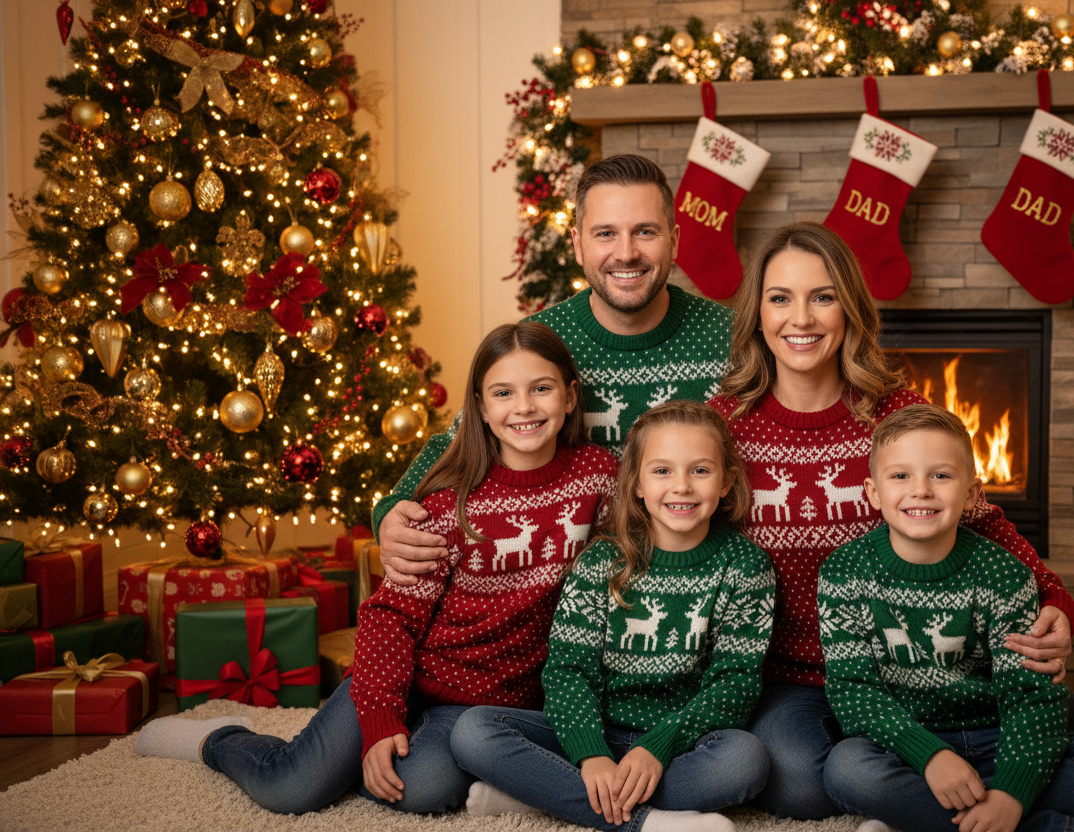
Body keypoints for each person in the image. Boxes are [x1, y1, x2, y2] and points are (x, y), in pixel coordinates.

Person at [706, 222, 1074, 820]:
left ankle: (967, 793)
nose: (801, 318)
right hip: (797, 678)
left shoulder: (899, 412)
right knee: (801, 789)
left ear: (850, 308)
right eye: (780, 298)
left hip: (929, 665)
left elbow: (982, 521)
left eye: (823, 296)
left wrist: (1053, 602)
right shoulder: (725, 425)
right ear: (756, 314)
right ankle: (1012, 811)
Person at [133, 321, 617, 816]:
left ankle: (463, 776)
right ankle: (218, 739)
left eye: (542, 388)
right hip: (404, 674)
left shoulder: (600, 477)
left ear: (571, 396)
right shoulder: (451, 503)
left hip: (486, 706)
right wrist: (383, 717)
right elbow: (392, 618)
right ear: (481, 407)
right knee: (290, 789)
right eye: (503, 392)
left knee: (421, 788)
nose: (525, 407)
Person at [374, 153, 734, 579]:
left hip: (702, 581)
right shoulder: (538, 342)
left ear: (673, 241)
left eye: (645, 232)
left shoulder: (729, 336)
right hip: (569, 596)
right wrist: (389, 514)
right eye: (605, 233)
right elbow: (462, 440)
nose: (626, 252)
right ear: (578, 245)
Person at [819, 404, 1074, 832]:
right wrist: (931, 756)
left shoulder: (1004, 574)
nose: (921, 490)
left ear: (970, 493)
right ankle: (1054, 827)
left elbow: (1031, 696)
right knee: (845, 769)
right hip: (905, 744)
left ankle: (923, 818)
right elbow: (854, 690)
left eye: (941, 475)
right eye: (900, 476)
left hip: (994, 731)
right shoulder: (844, 571)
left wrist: (1012, 792)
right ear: (873, 492)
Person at [450, 401, 775, 832]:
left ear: (726, 481)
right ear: (637, 483)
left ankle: (546, 795)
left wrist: (660, 745)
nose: (682, 486)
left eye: (700, 470)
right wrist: (591, 753)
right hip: (594, 730)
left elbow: (735, 683)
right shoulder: (603, 562)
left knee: (745, 762)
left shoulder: (747, 567)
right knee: (473, 730)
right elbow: (568, 670)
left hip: (681, 742)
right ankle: (647, 820)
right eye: (661, 471)